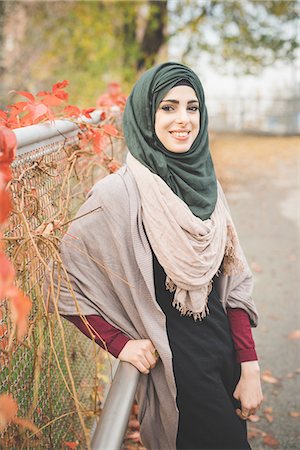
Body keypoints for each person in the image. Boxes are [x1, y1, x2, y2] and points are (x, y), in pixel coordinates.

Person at [46, 62, 263, 449]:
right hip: (178, 375)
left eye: (192, 107)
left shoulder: (206, 186)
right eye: (168, 107)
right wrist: (119, 343)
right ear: (146, 114)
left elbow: (234, 281)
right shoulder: (117, 195)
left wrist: (249, 365)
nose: (183, 119)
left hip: (224, 359)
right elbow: (62, 281)